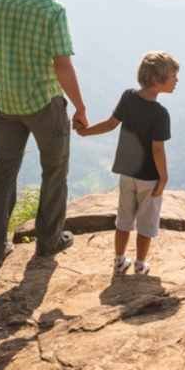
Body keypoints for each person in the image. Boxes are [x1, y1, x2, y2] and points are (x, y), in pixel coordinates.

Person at [0, 0, 89, 268]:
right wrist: (80, 107)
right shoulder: (53, 10)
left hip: (7, 103)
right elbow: (62, 65)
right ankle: (48, 241)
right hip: (44, 103)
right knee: (54, 171)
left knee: (3, 174)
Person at [76, 50, 178, 276]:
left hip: (126, 172)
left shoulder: (128, 97)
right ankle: (141, 264)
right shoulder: (160, 113)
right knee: (146, 222)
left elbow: (111, 124)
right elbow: (157, 149)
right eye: (172, 76)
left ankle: (119, 261)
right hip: (149, 176)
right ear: (156, 79)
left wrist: (86, 132)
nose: (176, 80)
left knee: (124, 218)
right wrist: (164, 178)